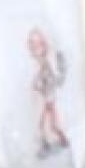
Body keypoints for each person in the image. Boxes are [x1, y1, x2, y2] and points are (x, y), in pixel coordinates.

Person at [27, 27, 70, 158]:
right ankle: (50, 142)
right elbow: (42, 79)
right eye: (31, 46)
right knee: (47, 124)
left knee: (51, 124)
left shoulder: (45, 63)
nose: (34, 50)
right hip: (47, 97)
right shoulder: (41, 64)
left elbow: (48, 78)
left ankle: (59, 141)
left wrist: (39, 85)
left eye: (36, 46)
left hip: (49, 98)